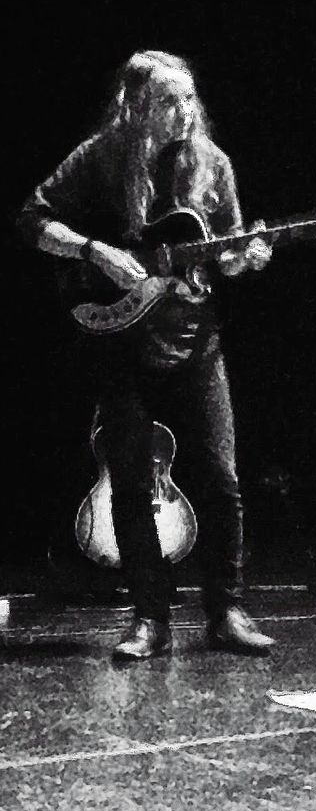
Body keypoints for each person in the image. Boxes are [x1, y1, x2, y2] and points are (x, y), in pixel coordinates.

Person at [18, 52, 276, 662]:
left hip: (195, 340)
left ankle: (227, 611)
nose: (184, 112)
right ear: (135, 105)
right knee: (131, 485)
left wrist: (244, 259)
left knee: (220, 479)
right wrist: (95, 251)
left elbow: (227, 252)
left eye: (189, 99)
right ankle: (150, 619)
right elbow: (32, 220)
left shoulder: (213, 164)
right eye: (168, 101)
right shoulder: (100, 157)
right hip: (119, 342)